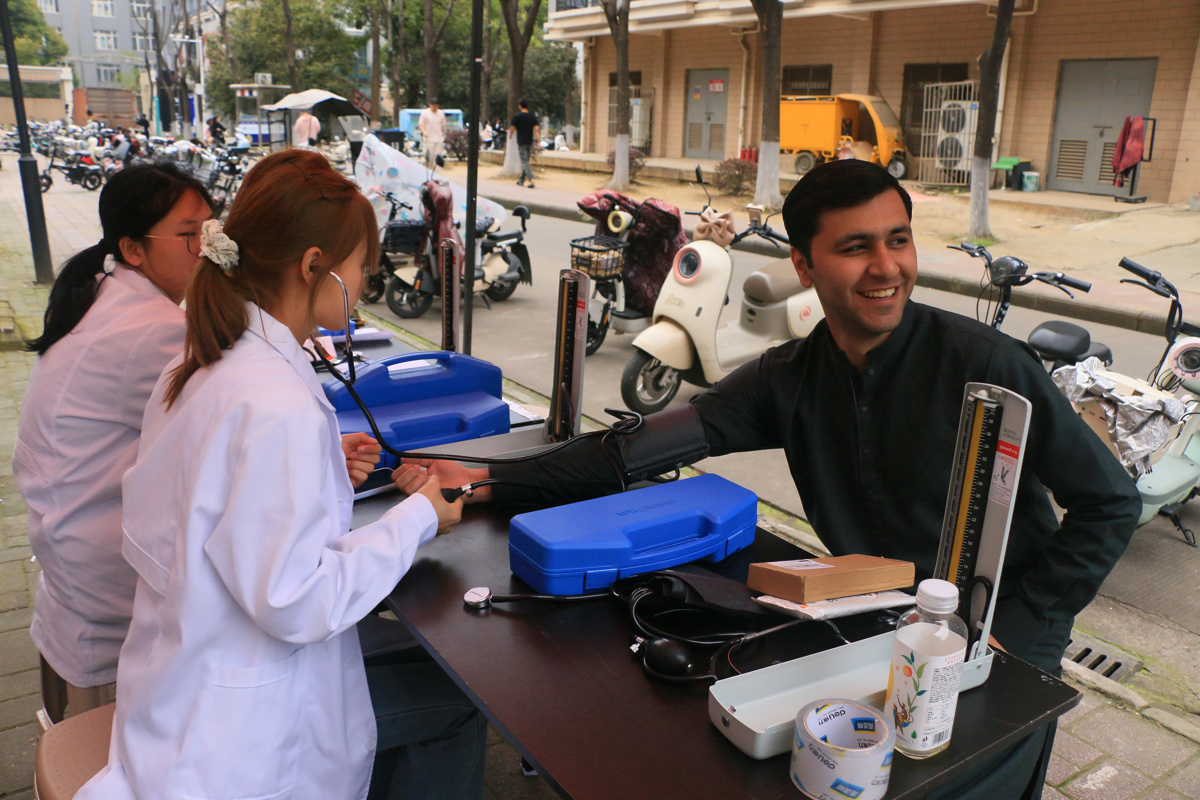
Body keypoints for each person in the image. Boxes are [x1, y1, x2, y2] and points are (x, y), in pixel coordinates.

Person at [413, 159, 1141, 799]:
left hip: (1001, 623)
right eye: (855, 247)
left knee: (969, 773)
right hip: (869, 607)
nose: (886, 267)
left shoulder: (986, 364)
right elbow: (628, 451)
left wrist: (1024, 623)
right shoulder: (787, 378)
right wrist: (489, 478)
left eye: (899, 239)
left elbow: (1109, 502)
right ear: (804, 264)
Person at [75, 148, 484, 800]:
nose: (367, 280)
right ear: (314, 266)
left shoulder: (202, 364)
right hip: (244, 743)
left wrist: (326, 477)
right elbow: (297, 601)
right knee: (462, 699)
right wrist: (422, 516)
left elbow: (216, 509)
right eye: (361, 267)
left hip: (176, 693)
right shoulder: (274, 401)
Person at [14, 164, 216, 710]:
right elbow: (219, 438)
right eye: (188, 234)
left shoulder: (108, 292)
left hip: (68, 536)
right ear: (133, 249)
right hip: (99, 558)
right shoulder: (152, 329)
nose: (206, 247)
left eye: (211, 229)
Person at [509, 98, 539, 188]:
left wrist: (510, 134)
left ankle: (531, 178)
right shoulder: (532, 117)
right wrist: (539, 141)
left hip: (521, 142)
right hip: (529, 141)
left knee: (524, 161)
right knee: (526, 161)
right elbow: (537, 129)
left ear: (520, 106)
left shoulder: (517, 117)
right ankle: (521, 180)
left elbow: (512, 128)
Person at [418, 98, 446, 171]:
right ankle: (426, 172)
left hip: (439, 138)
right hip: (429, 139)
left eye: (436, 106)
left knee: (438, 157)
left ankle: (437, 174)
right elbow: (421, 124)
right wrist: (424, 132)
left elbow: (442, 125)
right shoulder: (425, 113)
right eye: (433, 106)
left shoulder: (441, 113)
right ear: (430, 105)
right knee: (428, 157)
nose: (435, 107)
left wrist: (443, 135)